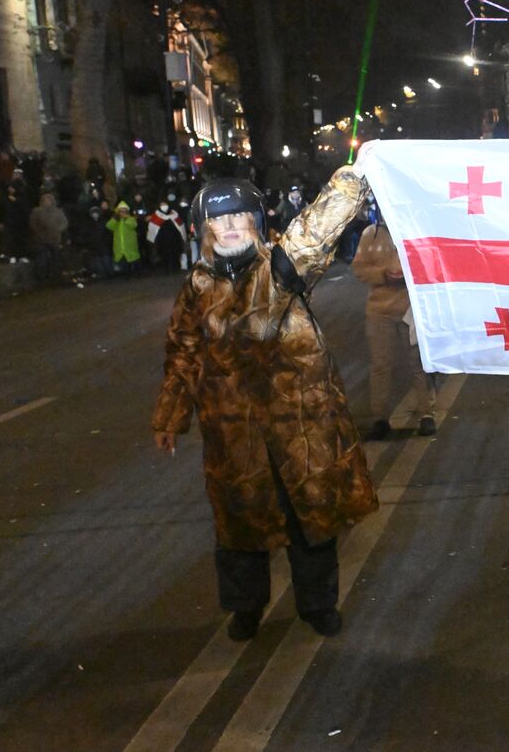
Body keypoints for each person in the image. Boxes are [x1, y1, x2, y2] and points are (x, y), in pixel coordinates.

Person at [151, 165, 378, 641]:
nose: (230, 226)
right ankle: (246, 609)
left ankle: (318, 605)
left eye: (238, 217)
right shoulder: (196, 286)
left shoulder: (282, 266)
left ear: (255, 221)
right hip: (235, 431)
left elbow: (320, 226)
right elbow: (184, 353)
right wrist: (171, 415)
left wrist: (355, 176)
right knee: (240, 526)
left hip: (300, 425)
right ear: (204, 230)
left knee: (311, 521)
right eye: (218, 220)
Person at [351, 217, 438, 439]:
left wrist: (407, 274)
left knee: (419, 363)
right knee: (381, 365)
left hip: (412, 310)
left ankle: (427, 414)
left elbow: (431, 263)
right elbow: (359, 268)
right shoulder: (371, 234)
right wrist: (384, 274)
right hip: (379, 312)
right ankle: (380, 418)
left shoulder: (415, 228)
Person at [28, 192, 69, 283]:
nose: (46, 202)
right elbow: (32, 223)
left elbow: (64, 222)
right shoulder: (37, 211)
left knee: (56, 257)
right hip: (41, 240)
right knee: (42, 257)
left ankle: (55, 275)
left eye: (48, 200)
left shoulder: (58, 211)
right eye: (44, 200)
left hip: (54, 239)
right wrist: (39, 231)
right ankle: (41, 276)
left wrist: (58, 229)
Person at [146, 198, 187, 273]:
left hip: (174, 239)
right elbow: (153, 227)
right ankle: (166, 268)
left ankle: (174, 268)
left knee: (174, 254)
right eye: (162, 205)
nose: (164, 206)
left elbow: (180, 225)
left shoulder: (174, 214)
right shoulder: (157, 215)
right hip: (162, 240)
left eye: (165, 204)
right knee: (164, 254)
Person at [106, 201, 141, 275]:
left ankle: (137, 273)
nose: (122, 212)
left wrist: (126, 218)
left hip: (130, 244)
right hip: (119, 245)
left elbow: (133, 225)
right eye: (121, 210)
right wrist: (115, 219)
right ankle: (126, 274)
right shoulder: (116, 220)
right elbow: (109, 226)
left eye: (124, 210)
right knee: (123, 262)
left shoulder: (131, 218)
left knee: (134, 259)